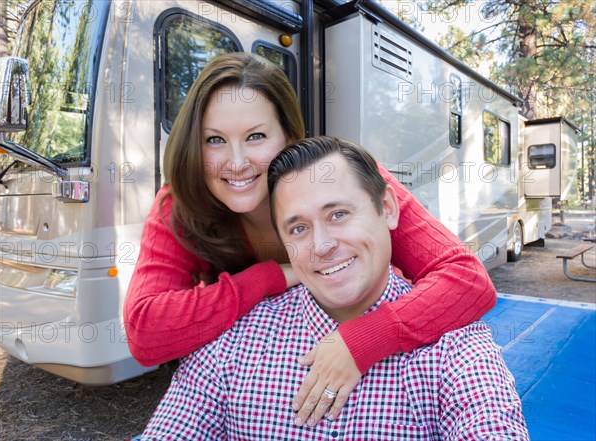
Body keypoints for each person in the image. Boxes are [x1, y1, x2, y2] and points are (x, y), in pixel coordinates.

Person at [124, 52, 496, 425]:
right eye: (215, 140)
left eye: (255, 136)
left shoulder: (344, 180)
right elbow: (145, 333)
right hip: (261, 369)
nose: (236, 163)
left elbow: (468, 278)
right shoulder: (181, 205)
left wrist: (365, 339)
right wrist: (275, 276)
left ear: (289, 136)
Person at [140, 137, 529, 440]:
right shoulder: (233, 343)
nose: (321, 245)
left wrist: (366, 339)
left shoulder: (456, 349)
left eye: (338, 214)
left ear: (388, 208)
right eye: (298, 228)